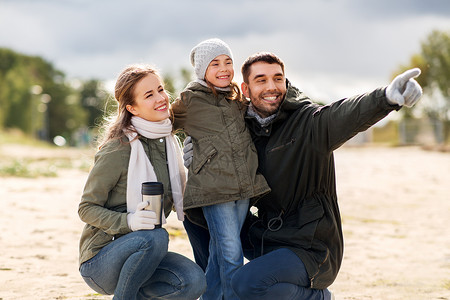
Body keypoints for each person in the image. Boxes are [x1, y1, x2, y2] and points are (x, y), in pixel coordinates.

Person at [183, 52, 422, 300]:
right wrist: (201, 155)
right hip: (267, 236)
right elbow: (212, 139)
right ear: (246, 88)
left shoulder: (308, 122)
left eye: (278, 78)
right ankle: (213, 290)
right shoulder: (243, 131)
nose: (272, 87)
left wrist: (385, 98)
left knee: (247, 283)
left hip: (310, 247)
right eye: (261, 80)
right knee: (197, 215)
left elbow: (342, 115)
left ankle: (318, 297)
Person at [78, 64, 206, 300]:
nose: (160, 98)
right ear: (132, 108)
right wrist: (129, 221)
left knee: (194, 281)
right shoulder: (119, 148)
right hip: (101, 259)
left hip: (144, 256)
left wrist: (195, 162)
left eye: (160, 89)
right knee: (156, 236)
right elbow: (86, 208)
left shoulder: (167, 142)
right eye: (149, 95)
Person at [170, 39, 271, 300]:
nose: (223, 68)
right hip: (214, 190)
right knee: (230, 253)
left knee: (220, 252)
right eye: (215, 64)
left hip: (242, 185)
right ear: (202, 70)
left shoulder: (236, 98)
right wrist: (186, 148)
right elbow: (160, 121)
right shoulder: (190, 101)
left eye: (228, 62)